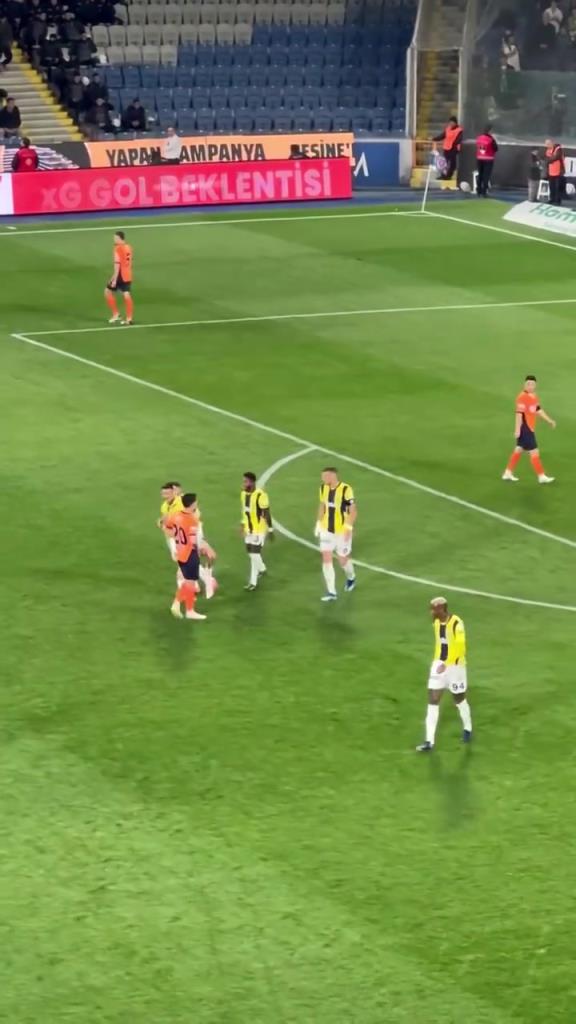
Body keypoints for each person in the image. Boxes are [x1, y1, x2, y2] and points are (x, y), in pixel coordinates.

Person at [416, 597, 472, 753]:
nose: (431, 612)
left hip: (455, 667)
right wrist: (439, 663)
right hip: (439, 665)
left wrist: (446, 663)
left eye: (433, 609)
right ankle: (429, 741)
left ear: (442, 609)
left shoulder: (456, 623)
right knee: (433, 699)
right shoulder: (436, 623)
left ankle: (467, 728)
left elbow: (460, 648)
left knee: (459, 699)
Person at [158, 482, 216, 599]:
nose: (165, 496)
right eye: (163, 494)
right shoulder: (164, 506)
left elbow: (194, 516)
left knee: (186, 562)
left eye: (168, 493)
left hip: (186, 536)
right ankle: (198, 584)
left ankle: (197, 585)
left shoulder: (181, 502)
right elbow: (167, 519)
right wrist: (162, 522)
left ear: (173, 492)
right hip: (175, 537)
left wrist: (198, 538)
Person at [502, 375, 556, 484]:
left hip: (529, 428)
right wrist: (517, 430)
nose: (530, 386)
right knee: (534, 451)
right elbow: (519, 414)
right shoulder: (522, 397)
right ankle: (541, 476)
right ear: (524, 385)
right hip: (525, 428)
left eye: (532, 384)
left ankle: (508, 473)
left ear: (535, 385)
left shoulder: (534, 396)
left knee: (519, 449)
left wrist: (549, 420)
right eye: (528, 384)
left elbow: (538, 410)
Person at [164, 493, 207, 621]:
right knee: (189, 582)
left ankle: (188, 609)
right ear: (193, 504)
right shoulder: (192, 520)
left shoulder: (176, 516)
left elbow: (167, 528)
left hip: (180, 552)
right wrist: (201, 550)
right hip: (189, 553)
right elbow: (194, 541)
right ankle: (179, 605)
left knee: (189, 582)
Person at [315, 467, 356, 602]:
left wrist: (348, 528)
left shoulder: (346, 489)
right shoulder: (323, 488)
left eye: (325, 476)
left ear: (333, 476)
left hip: (342, 531)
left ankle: (351, 577)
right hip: (327, 530)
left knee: (342, 560)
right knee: (326, 558)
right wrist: (319, 522)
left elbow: (353, 511)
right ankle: (331, 592)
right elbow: (322, 505)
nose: (323, 479)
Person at [240, 471, 273, 591]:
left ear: (252, 482)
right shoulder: (243, 494)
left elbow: (266, 512)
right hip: (248, 529)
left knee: (254, 554)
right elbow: (245, 512)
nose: (243, 484)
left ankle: (253, 581)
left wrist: (270, 529)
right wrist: (242, 525)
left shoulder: (260, 495)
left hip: (258, 529)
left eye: (246, 481)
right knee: (251, 554)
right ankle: (262, 569)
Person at [105, 230, 134, 325]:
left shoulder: (117, 248)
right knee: (126, 294)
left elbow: (117, 264)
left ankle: (116, 314)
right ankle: (129, 318)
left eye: (115, 238)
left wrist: (114, 279)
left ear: (119, 238)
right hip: (128, 274)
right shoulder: (129, 247)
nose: (114, 240)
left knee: (107, 291)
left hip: (120, 274)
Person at [432, 115, 463, 181]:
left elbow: (459, 139)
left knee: (452, 164)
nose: (451, 124)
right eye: (450, 122)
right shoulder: (448, 129)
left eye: (452, 122)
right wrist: (434, 139)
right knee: (444, 163)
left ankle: (449, 176)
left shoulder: (459, 130)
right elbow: (442, 135)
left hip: (453, 149)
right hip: (446, 148)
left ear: (455, 123)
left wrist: (454, 145)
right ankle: (443, 175)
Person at [475, 125, 498, 196]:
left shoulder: (479, 138)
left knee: (480, 174)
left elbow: (478, 146)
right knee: (486, 175)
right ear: (490, 131)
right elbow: (495, 148)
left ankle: (478, 190)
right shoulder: (491, 139)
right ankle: (484, 191)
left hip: (479, 158)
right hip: (488, 159)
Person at [545, 137, 565, 205]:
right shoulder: (548, 150)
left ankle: (558, 201)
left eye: (548, 143)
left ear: (552, 143)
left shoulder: (558, 149)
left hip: (559, 171)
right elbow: (547, 159)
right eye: (546, 144)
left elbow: (557, 157)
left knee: (558, 187)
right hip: (551, 171)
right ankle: (552, 199)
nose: (547, 145)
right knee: (551, 186)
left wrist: (549, 160)